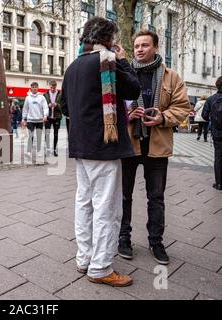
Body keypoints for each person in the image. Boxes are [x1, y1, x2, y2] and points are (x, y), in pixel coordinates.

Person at [62, 17, 141, 287]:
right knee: (107, 207)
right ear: (109, 39)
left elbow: (64, 107)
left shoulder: (72, 66)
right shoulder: (107, 62)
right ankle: (101, 267)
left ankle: (84, 259)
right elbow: (133, 88)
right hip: (104, 145)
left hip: (81, 145)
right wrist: (121, 59)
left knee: (84, 203)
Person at [118, 30, 190, 265]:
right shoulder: (123, 74)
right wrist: (128, 114)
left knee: (156, 197)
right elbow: (111, 106)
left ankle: (156, 241)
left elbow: (182, 107)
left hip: (157, 145)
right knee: (123, 195)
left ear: (156, 48)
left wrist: (163, 117)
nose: (139, 49)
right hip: (129, 144)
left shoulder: (172, 77)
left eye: (145, 45)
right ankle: (123, 238)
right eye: (137, 45)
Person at [202, 76, 222, 190]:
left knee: (218, 157)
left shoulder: (210, 99)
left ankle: (219, 183)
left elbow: (204, 116)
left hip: (217, 132)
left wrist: (213, 118)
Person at [22, 82, 48, 159]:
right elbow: (25, 109)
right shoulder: (28, 98)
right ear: (31, 88)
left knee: (39, 136)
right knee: (30, 136)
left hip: (39, 120)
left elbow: (45, 107)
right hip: (30, 120)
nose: (34, 88)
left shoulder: (42, 97)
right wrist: (23, 118)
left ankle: (39, 151)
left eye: (36, 87)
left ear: (38, 88)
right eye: (33, 87)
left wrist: (45, 115)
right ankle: (29, 152)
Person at [43, 80, 62, 157]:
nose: (52, 89)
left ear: (56, 86)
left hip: (57, 117)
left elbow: (63, 105)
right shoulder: (45, 94)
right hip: (48, 117)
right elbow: (43, 106)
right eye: (51, 87)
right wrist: (48, 105)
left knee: (56, 134)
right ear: (49, 86)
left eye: (54, 87)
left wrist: (57, 105)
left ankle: (54, 150)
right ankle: (47, 150)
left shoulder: (60, 94)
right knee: (47, 134)